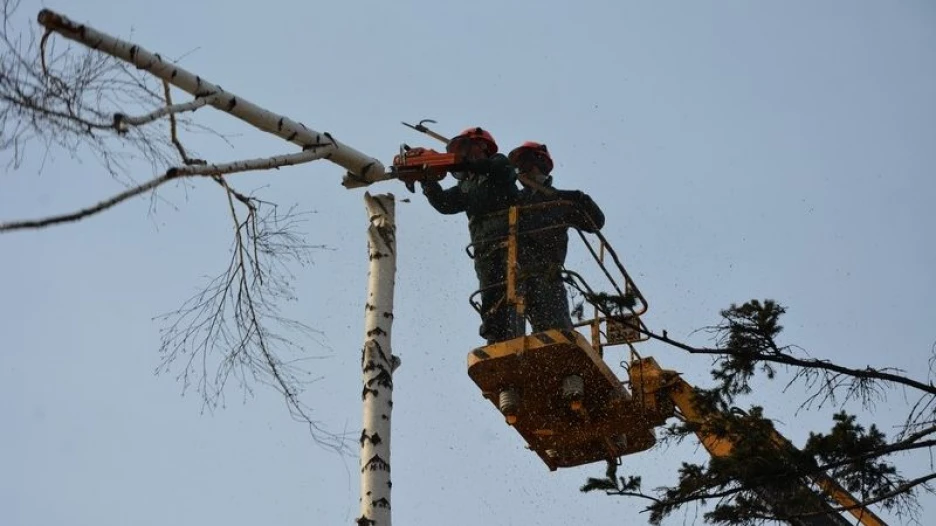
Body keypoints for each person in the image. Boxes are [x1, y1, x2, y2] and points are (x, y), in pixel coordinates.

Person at [420, 127, 521, 344]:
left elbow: (495, 169)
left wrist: (461, 162)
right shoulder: (466, 186)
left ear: (482, 147)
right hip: (483, 244)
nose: (463, 156)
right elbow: (445, 204)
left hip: (510, 239)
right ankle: (495, 336)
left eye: (465, 149)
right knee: (490, 291)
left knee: (513, 288)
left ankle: (513, 333)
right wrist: (427, 181)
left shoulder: (498, 164)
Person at [507, 141, 605, 334]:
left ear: (540, 164)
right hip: (515, 273)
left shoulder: (561, 201)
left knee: (556, 330)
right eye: (518, 166)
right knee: (507, 329)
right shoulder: (513, 202)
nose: (522, 170)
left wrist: (577, 199)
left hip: (547, 273)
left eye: (525, 163)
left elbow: (596, 222)